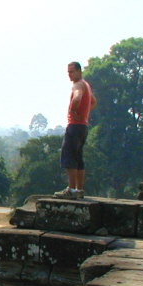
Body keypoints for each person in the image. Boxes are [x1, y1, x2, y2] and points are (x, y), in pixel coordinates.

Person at [54, 61, 96, 199]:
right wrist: (84, 113)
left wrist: (74, 110)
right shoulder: (86, 85)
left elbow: (77, 97)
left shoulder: (78, 85)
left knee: (69, 157)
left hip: (75, 125)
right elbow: (93, 102)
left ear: (79, 71)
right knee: (78, 158)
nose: (70, 75)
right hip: (83, 126)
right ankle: (79, 189)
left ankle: (71, 190)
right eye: (68, 72)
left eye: (72, 72)